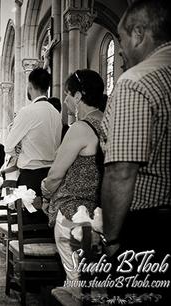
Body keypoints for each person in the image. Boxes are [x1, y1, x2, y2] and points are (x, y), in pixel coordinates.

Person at [101, 0, 171, 303]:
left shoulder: (135, 82)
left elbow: (122, 170)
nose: (120, 51)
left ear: (139, 34)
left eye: (122, 39)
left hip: (148, 226)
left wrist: (113, 238)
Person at [41, 69, 105, 300]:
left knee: (77, 279)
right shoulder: (109, 122)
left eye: (68, 94)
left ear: (78, 96)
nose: (66, 100)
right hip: (102, 208)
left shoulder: (80, 128)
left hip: (74, 210)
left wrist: (45, 190)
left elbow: (56, 174)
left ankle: (76, 295)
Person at [4, 68, 61, 197]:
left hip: (31, 175)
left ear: (30, 86)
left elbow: (9, 146)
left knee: (29, 216)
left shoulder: (27, 111)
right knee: (45, 217)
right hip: (50, 175)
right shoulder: (55, 113)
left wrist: (19, 153)